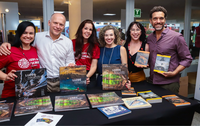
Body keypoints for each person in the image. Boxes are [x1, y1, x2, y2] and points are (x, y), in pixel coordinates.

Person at [0, 13, 75, 92]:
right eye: (55, 23)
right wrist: (5, 44)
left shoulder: (68, 42)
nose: (58, 26)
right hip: (43, 82)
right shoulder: (37, 37)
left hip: (62, 81)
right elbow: (23, 43)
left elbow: (70, 61)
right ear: (49, 23)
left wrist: (71, 66)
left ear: (64, 26)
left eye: (61, 24)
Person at [147, 6, 192, 93]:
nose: (158, 21)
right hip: (152, 82)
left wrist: (175, 72)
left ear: (165, 20)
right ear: (151, 21)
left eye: (161, 18)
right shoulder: (149, 38)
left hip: (169, 84)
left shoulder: (176, 37)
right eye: (155, 19)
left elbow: (187, 59)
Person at [0, 21, 40, 98]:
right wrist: (5, 77)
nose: (28, 36)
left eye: (31, 33)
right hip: (11, 96)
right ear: (19, 34)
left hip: (31, 95)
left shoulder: (35, 49)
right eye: (25, 33)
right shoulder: (9, 50)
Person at [72, 19, 100, 88]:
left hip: (89, 75)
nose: (88, 31)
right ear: (81, 29)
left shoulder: (95, 46)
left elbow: (94, 66)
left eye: (90, 29)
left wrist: (85, 77)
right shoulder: (72, 43)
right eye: (85, 28)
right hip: (74, 74)